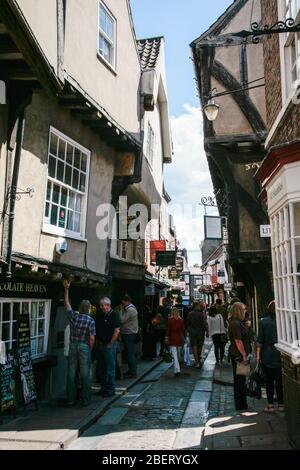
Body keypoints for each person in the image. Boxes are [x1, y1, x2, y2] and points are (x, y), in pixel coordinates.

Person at [63, 280, 96, 407]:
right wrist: (90, 349)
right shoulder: (90, 320)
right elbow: (92, 338)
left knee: (71, 373)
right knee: (85, 374)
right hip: (84, 346)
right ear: (88, 309)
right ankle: (85, 400)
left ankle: (70, 400)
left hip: (73, 345)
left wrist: (66, 289)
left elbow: (67, 304)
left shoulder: (73, 316)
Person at [257, 300, 284, 413]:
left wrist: (258, 356)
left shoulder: (263, 322)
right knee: (279, 381)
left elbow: (260, 341)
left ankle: (270, 405)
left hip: (267, 354)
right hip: (280, 352)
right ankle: (281, 405)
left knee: (269, 381)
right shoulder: (284, 321)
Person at [228, 302, 251, 411]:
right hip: (238, 355)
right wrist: (244, 355)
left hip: (239, 355)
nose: (245, 311)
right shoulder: (235, 323)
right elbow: (238, 341)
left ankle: (242, 403)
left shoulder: (239, 323)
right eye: (243, 309)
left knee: (241, 379)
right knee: (239, 380)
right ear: (239, 311)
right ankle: (240, 405)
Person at [94, 297, 120, 397]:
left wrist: (110, 343)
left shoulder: (114, 315)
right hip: (101, 344)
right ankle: (104, 388)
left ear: (107, 305)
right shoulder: (101, 314)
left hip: (110, 345)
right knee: (102, 367)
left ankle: (111, 389)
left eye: (102, 305)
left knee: (110, 368)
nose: (101, 307)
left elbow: (117, 331)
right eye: (100, 305)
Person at [120, 294, 139, 378]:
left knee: (130, 353)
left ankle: (133, 371)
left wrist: (120, 310)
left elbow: (122, 320)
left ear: (127, 301)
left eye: (123, 302)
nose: (122, 304)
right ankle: (131, 370)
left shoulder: (130, 310)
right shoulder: (129, 309)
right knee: (129, 353)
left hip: (129, 333)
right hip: (128, 333)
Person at [166, 307, 186, 376]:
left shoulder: (170, 319)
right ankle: (177, 369)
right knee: (178, 354)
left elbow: (168, 329)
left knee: (174, 354)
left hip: (172, 337)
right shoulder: (181, 320)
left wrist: (167, 337)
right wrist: (185, 337)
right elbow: (183, 329)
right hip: (179, 337)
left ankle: (177, 370)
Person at [186, 302, 207, 368]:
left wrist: (189, 330)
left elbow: (187, 324)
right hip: (200, 333)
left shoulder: (190, 314)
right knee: (199, 346)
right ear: (196, 306)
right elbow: (204, 324)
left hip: (192, 332)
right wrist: (207, 331)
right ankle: (198, 359)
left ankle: (196, 361)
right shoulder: (201, 314)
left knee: (194, 346)